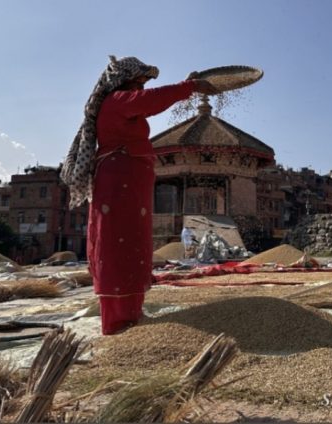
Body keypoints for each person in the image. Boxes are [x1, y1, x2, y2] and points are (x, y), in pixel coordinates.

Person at [61, 56, 218, 335]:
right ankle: (119, 321)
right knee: (119, 244)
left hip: (126, 179)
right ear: (126, 80)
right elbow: (152, 101)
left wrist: (188, 84)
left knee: (130, 242)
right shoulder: (119, 99)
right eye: (140, 82)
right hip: (120, 179)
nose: (142, 87)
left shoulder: (117, 101)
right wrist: (189, 86)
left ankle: (130, 315)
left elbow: (152, 98)